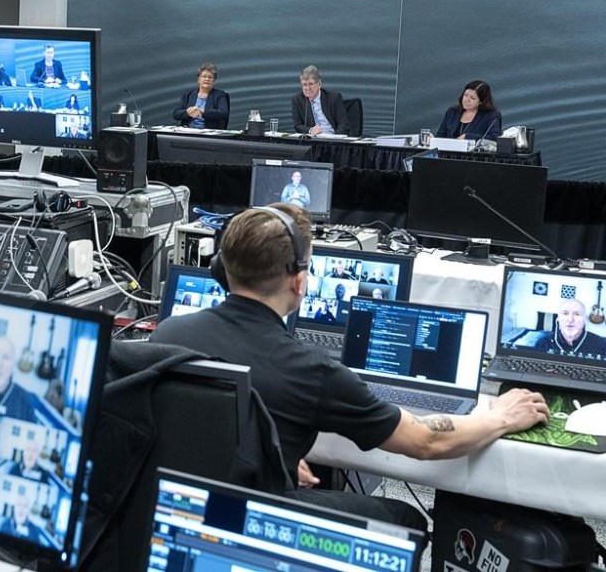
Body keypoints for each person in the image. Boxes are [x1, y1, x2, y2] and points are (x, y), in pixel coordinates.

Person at [151, 203, 548, 530]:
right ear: (299, 281)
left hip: (174, 511)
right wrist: (500, 417)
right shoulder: (310, 370)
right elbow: (428, 442)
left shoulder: (169, 333)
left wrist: (270, 455)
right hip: (251, 523)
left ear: (224, 268)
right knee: (406, 519)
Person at [530, 298, 606, 356]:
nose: (570, 320)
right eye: (565, 313)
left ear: (584, 320)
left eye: (577, 314)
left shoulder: (603, 344)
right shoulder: (543, 343)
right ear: (558, 319)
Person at [291, 65, 350, 136]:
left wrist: (335, 138)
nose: (307, 88)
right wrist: (310, 130)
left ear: (319, 84)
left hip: (333, 138)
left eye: (311, 84)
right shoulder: (297, 100)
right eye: (304, 84)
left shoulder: (334, 98)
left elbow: (343, 124)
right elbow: (297, 125)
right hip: (313, 140)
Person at [435, 80, 502, 141]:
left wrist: (467, 137)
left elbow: (494, 138)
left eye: (472, 98)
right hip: (447, 153)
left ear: (481, 101)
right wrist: (433, 140)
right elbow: (440, 136)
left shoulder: (492, 116)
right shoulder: (452, 112)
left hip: (474, 154)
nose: (467, 100)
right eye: (466, 95)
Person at [172, 62, 230, 129]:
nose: (207, 79)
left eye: (210, 77)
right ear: (198, 79)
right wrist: (188, 112)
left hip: (209, 134)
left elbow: (224, 113)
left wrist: (203, 111)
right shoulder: (188, 94)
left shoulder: (220, 95)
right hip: (188, 131)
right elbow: (176, 114)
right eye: (204, 76)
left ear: (214, 81)